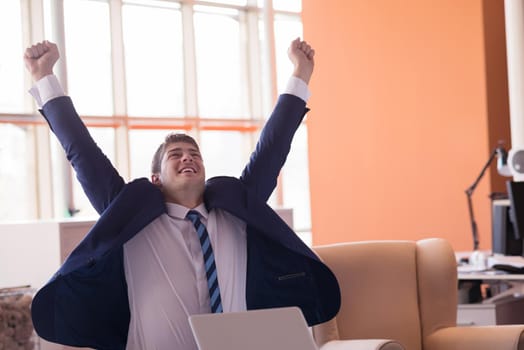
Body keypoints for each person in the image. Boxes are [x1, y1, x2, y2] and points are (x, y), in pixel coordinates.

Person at [24, 38, 340, 350]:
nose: (187, 157)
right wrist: (44, 77)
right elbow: (81, 152)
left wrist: (301, 73)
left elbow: (274, 146)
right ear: (156, 178)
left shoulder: (238, 210)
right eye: (175, 154)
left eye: (194, 154)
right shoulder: (128, 216)